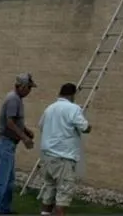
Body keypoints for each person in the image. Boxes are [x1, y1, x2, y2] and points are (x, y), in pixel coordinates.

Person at [36, 82, 93, 216]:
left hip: (47, 156)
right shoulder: (73, 108)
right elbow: (84, 127)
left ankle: (45, 213)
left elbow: (41, 125)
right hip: (64, 157)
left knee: (49, 190)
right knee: (63, 194)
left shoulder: (50, 108)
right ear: (72, 95)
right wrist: (89, 126)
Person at [0, 72, 37, 215]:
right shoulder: (13, 99)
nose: (29, 91)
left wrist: (26, 130)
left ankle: (4, 209)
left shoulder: (17, 99)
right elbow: (10, 123)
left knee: (9, 181)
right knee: (1, 181)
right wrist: (25, 138)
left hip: (9, 145)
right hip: (5, 144)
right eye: (28, 88)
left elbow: (16, 121)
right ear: (21, 86)